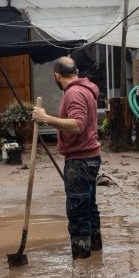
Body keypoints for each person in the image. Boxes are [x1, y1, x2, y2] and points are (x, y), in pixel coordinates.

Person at [32, 56, 101, 259]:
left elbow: (78, 125)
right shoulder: (85, 89)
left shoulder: (74, 93)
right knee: (88, 207)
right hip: (89, 157)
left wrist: (45, 118)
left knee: (78, 212)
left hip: (80, 160)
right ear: (76, 72)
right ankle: (95, 253)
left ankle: (82, 261)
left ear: (56, 75)